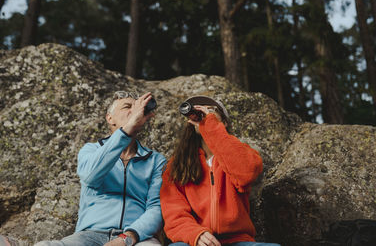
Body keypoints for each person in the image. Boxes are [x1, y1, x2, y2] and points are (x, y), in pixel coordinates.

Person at [34, 91, 167, 246]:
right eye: (127, 107)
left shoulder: (155, 160)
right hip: (90, 236)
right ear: (110, 118)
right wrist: (128, 129)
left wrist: (127, 238)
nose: (134, 111)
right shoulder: (91, 150)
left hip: (136, 237)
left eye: (137, 108)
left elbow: (156, 208)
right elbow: (90, 176)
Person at [160, 96, 280, 246]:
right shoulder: (177, 165)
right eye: (197, 109)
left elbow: (246, 173)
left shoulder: (241, 152)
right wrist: (195, 234)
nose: (202, 113)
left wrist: (210, 126)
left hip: (238, 241)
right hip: (195, 241)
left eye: (210, 110)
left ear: (223, 122)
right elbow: (173, 212)